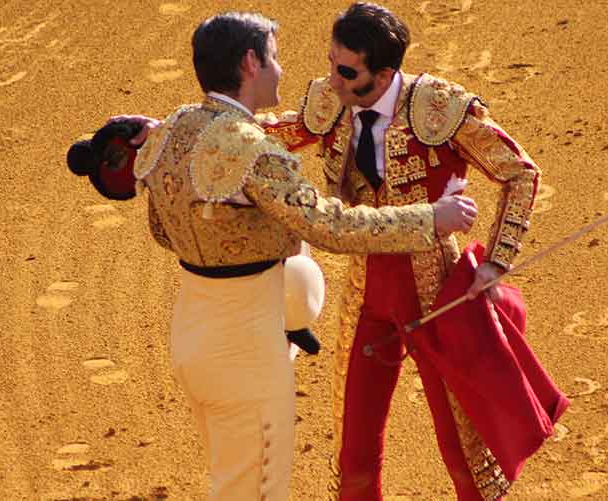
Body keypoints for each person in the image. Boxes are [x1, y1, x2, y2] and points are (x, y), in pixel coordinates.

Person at [114, 11, 478, 501]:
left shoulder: (172, 131)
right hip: (245, 350)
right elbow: (332, 225)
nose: (283, 70)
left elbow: (162, 230)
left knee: (233, 481)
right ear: (250, 63)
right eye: (275, 58)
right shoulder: (250, 150)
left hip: (191, 340)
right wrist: (430, 219)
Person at [257, 3, 552, 500]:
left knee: (464, 457)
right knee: (353, 458)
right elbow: (267, 136)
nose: (331, 80)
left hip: (438, 296)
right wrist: (191, 129)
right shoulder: (331, 103)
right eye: (331, 63)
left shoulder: (440, 108)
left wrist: (498, 259)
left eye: (346, 71)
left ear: (384, 73)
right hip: (364, 295)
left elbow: (520, 173)